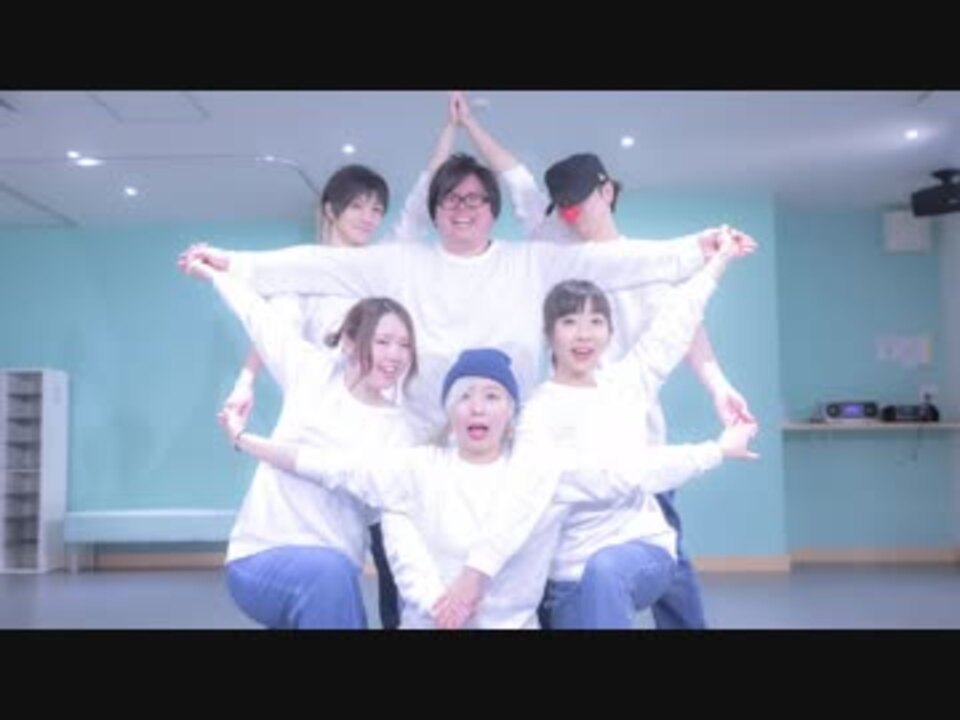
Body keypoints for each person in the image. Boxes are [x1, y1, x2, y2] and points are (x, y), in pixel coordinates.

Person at [453, 90, 755, 628]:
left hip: (632, 435)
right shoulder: (553, 244)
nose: (571, 213)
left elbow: (680, 330)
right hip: (567, 436)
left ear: (607, 192)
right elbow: (516, 179)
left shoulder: (650, 266)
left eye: (580, 201)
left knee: (663, 562)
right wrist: (469, 124)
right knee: (558, 562)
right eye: (562, 204)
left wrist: (719, 386)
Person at [219, 344, 757, 629]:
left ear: (511, 412)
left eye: (492, 397)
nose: (477, 407)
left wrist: (718, 449)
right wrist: (249, 442)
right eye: (465, 396)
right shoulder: (414, 467)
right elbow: (328, 466)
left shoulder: (542, 472)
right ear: (449, 411)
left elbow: (629, 471)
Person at [214, 113, 458, 630]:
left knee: (396, 549)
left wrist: (447, 135)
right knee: (326, 562)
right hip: (328, 419)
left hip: (381, 427)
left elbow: (419, 206)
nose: (370, 217)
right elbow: (271, 333)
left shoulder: (380, 264)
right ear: (331, 209)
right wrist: (245, 382)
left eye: (376, 208)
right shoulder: (303, 273)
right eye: (358, 206)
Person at [181, 254, 419, 629]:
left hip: (334, 572)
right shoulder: (311, 372)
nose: (395, 355)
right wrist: (212, 273)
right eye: (383, 341)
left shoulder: (399, 430)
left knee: (331, 576)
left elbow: (386, 509)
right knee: (328, 576)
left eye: (404, 345)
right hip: (262, 553)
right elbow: (257, 315)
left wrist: (245, 439)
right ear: (349, 341)